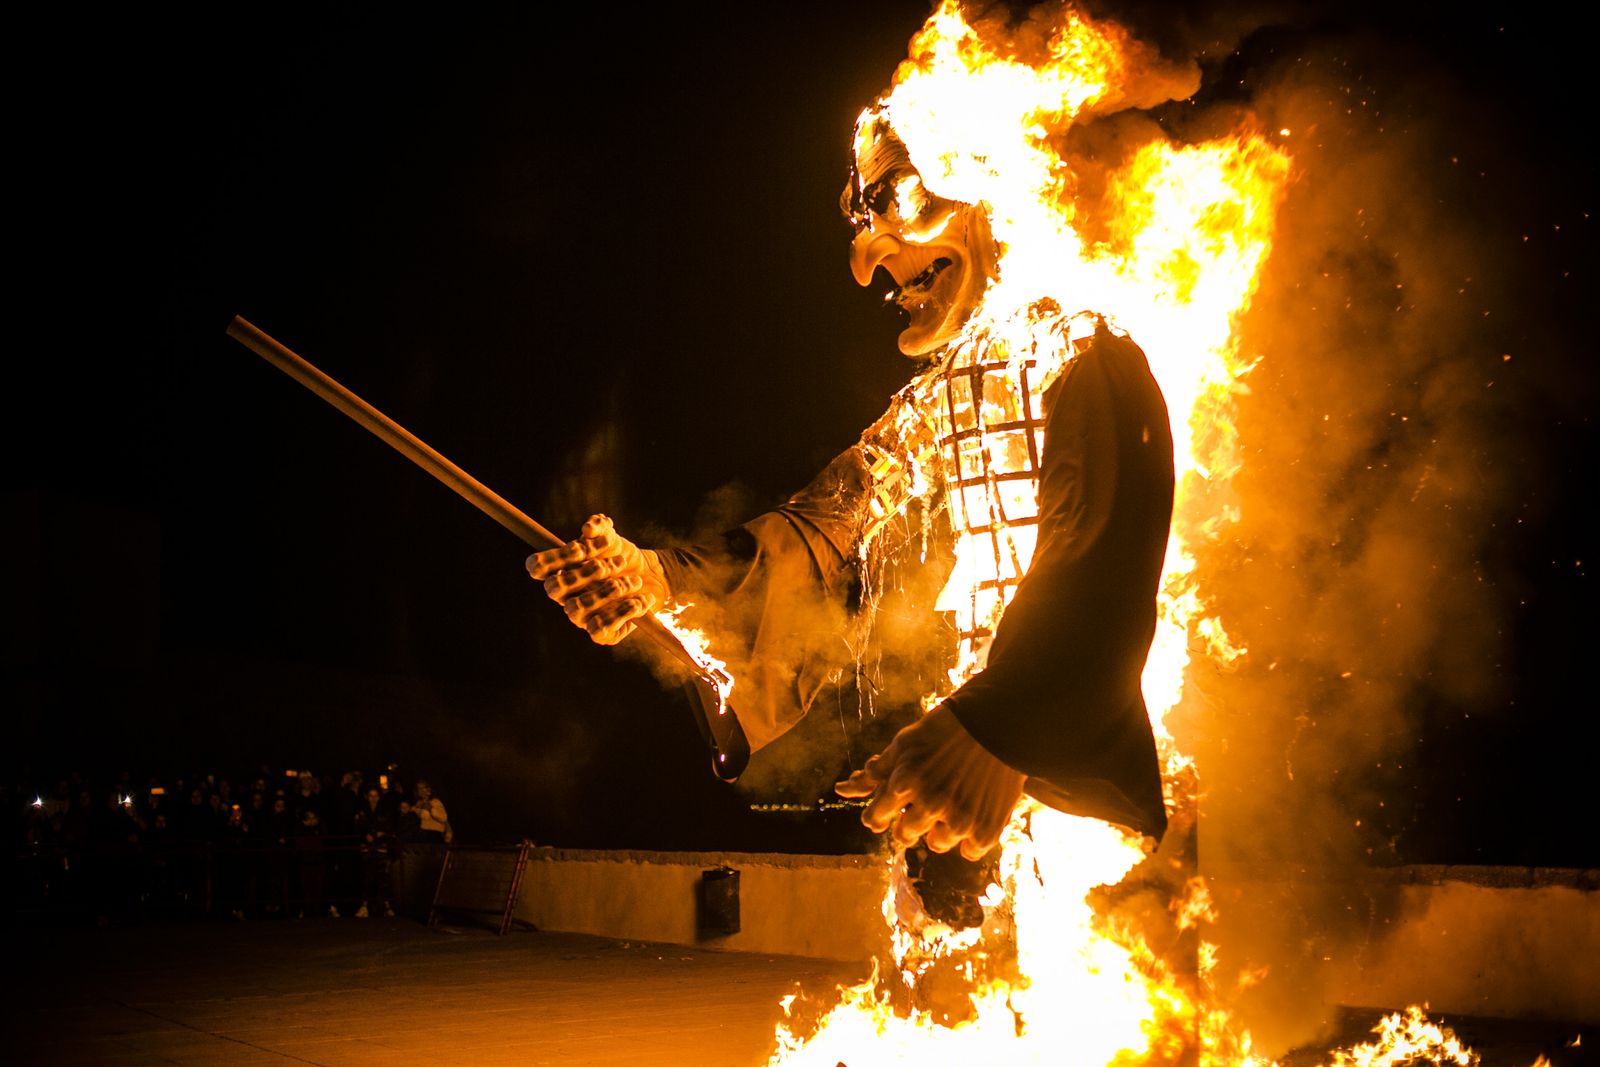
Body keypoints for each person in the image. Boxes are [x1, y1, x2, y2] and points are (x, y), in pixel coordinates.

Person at [528, 105, 1172, 862]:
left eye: (900, 197)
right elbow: (818, 534)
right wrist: (656, 582)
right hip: (981, 785)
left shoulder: (1089, 341)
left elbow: (1103, 544)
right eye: (862, 215)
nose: (867, 258)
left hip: (1087, 781)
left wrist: (1002, 723)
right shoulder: (938, 399)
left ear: (993, 186)